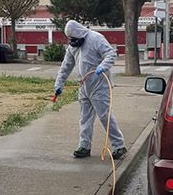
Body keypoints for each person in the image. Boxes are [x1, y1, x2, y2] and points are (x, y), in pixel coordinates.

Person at [54, 20, 127, 159]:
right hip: (84, 86)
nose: (72, 42)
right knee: (85, 118)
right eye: (70, 40)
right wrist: (59, 84)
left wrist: (103, 66)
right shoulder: (73, 47)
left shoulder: (95, 38)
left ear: (79, 33)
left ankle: (119, 145)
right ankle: (84, 146)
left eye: (74, 39)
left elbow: (110, 54)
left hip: (100, 85)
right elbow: (66, 66)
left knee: (105, 116)